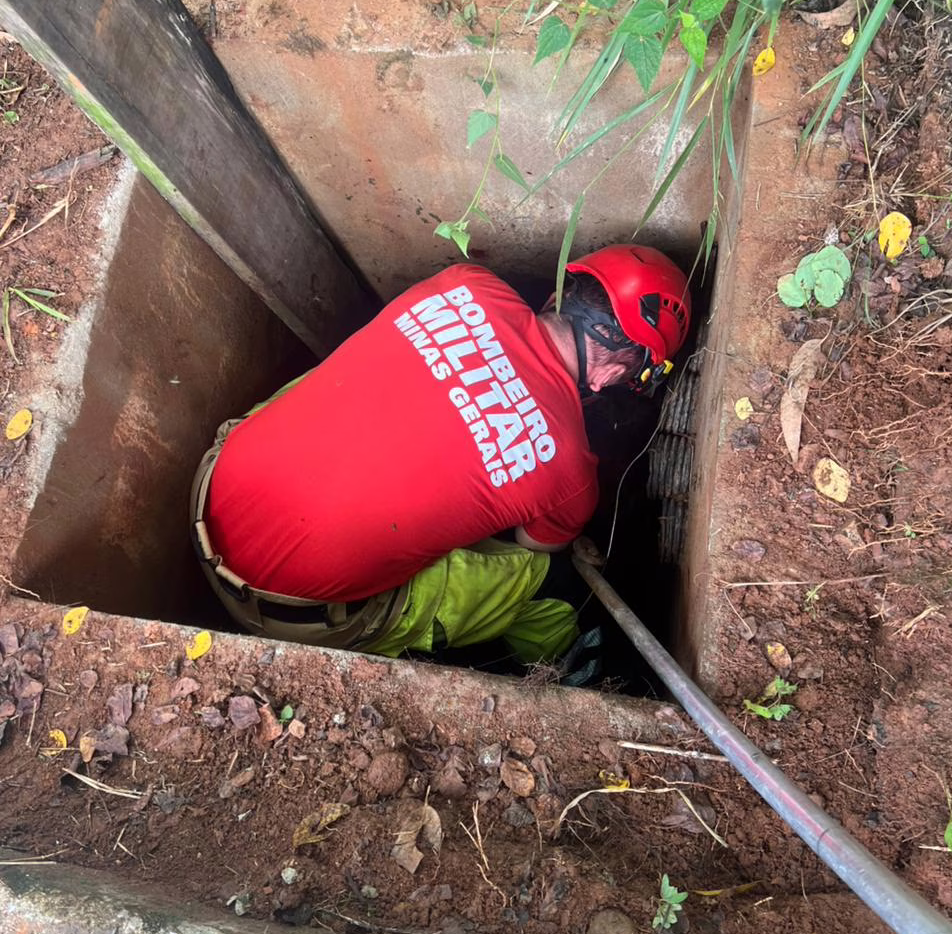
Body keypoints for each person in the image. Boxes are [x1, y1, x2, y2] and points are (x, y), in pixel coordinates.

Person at [190, 245, 691, 665]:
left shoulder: (465, 282)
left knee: (360, 371)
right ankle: (566, 669)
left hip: (210, 490)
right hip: (291, 611)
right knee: (546, 582)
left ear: (562, 294)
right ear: (615, 374)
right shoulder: (570, 473)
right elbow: (529, 546)